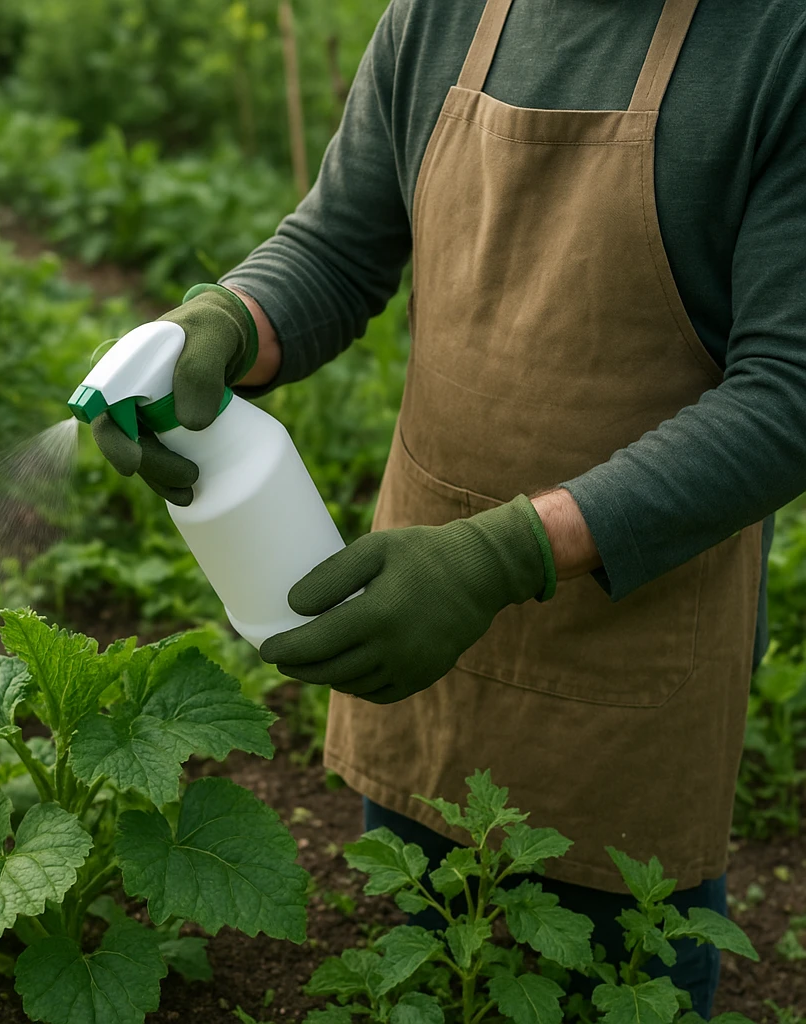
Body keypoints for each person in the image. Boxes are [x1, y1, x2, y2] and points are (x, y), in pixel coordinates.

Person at [91, 0, 806, 1013]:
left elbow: (786, 393)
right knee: (429, 959)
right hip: (418, 624)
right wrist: (221, 320)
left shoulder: (775, 43)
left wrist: (505, 555)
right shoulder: (441, 15)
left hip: (630, 666)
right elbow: (338, 249)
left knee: (614, 971)